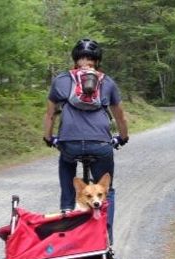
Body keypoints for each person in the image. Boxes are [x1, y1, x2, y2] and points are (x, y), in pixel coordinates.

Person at [43, 38, 129, 243]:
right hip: (100, 145)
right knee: (105, 190)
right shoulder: (107, 82)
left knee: (68, 176)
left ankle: (66, 219)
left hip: (69, 143)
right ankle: (105, 238)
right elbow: (120, 117)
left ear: (75, 60)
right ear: (97, 61)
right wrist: (123, 136)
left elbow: (50, 115)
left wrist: (48, 137)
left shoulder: (62, 80)